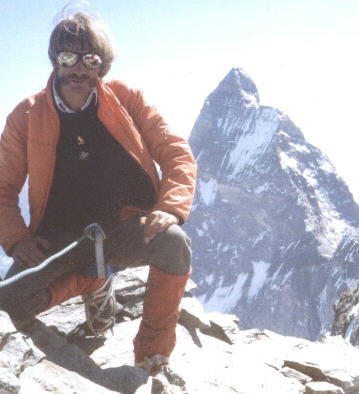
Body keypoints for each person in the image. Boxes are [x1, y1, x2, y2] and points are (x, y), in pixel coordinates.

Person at [0, 11, 196, 374]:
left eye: (89, 59)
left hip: (124, 224)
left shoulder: (127, 99)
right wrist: (16, 239)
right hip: (59, 236)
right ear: (54, 61)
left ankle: (152, 352)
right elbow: (3, 186)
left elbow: (175, 153)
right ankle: (97, 280)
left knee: (174, 243)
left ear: (102, 66)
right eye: (67, 57)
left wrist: (169, 207)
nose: (78, 69)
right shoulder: (26, 115)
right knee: (8, 302)